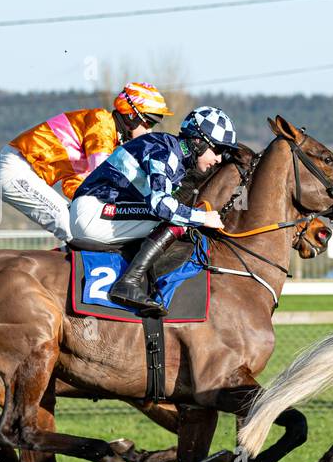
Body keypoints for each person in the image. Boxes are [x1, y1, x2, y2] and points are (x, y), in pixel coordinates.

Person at [70, 106, 238, 316]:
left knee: (180, 218)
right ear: (198, 141)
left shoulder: (171, 151)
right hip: (94, 212)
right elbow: (162, 205)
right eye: (218, 150)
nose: (220, 159)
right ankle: (128, 282)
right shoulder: (165, 151)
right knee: (178, 220)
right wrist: (203, 218)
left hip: (97, 210)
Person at [0, 82, 172, 245]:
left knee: (81, 223)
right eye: (149, 122)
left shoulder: (106, 140)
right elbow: (104, 177)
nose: (149, 130)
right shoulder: (102, 123)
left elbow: (77, 188)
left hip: (23, 170)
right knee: (75, 229)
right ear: (132, 116)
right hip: (16, 169)